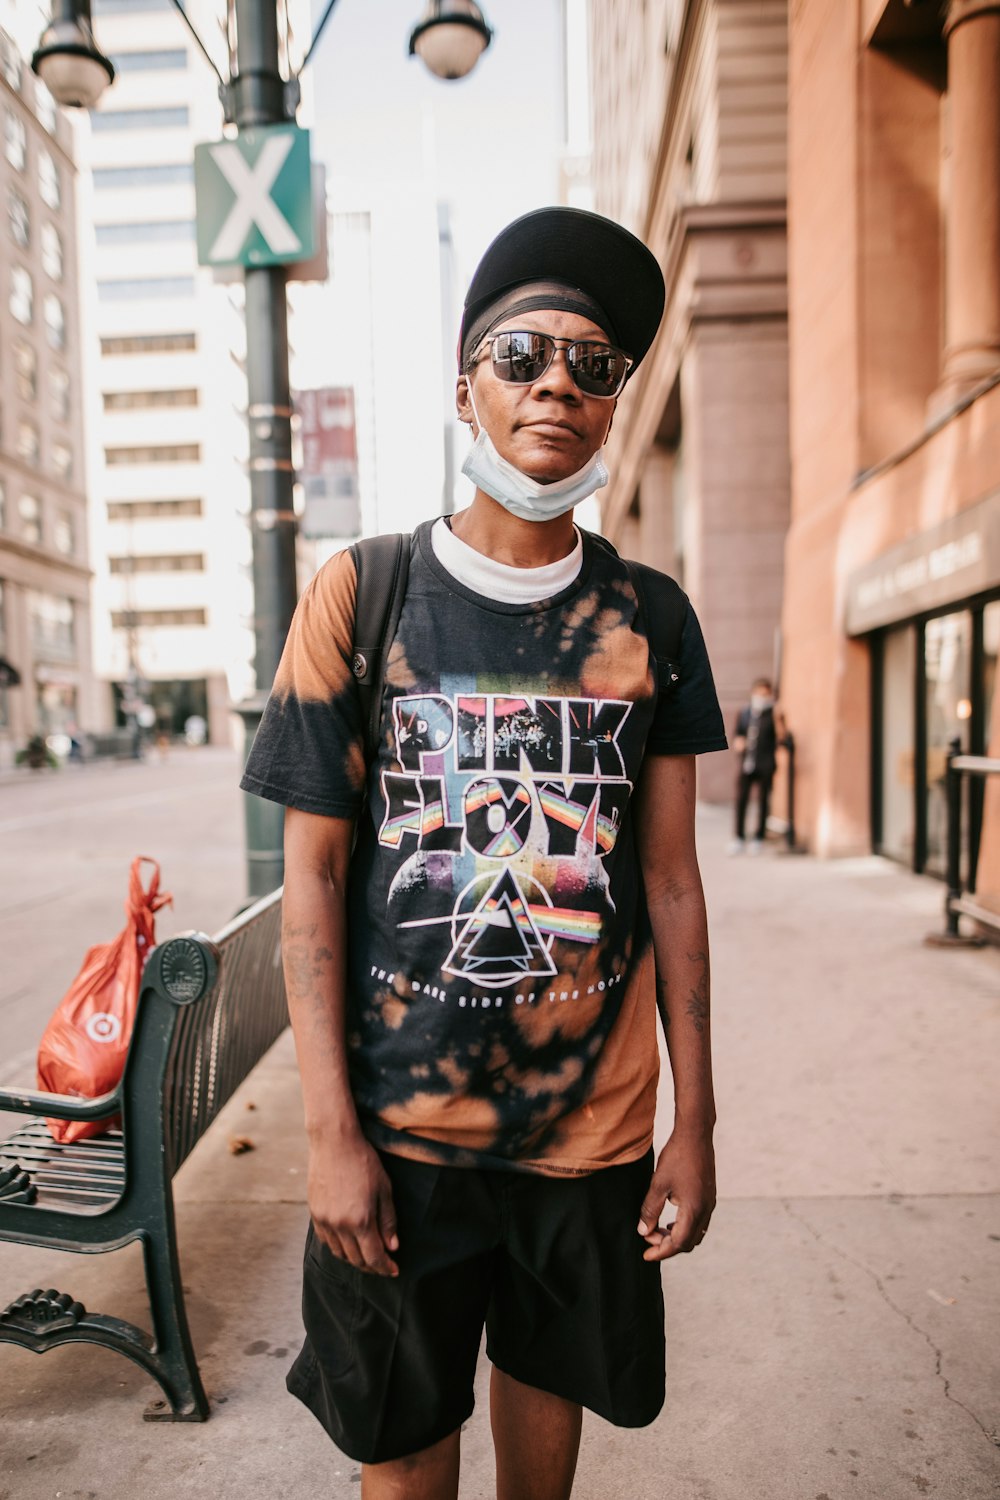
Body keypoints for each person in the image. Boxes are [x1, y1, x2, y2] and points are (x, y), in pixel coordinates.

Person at [241, 206, 728, 1500]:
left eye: (594, 364)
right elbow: (316, 888)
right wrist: (329, 1135)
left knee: (545, 1444)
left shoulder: (653, 621)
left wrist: (700, 1120)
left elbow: (673, 884)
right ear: (467, 386)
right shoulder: (364, 595)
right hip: (403, 1139)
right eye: (522, 357)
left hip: (591, 1138)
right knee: (402, 1459)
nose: (557, 383)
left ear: (617, 402)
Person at [729, 677, 786, 855]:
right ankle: (738, 837)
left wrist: (778, 718)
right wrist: (738, 742)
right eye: (760, 693)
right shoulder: (745, 712)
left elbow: (782, 739)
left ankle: (758, 838)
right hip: (747, 763)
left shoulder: (774, 714)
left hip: (766, 764)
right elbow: (738, 733)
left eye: (766, 694)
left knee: (763, 801)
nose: (762, 697)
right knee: (741, 800)